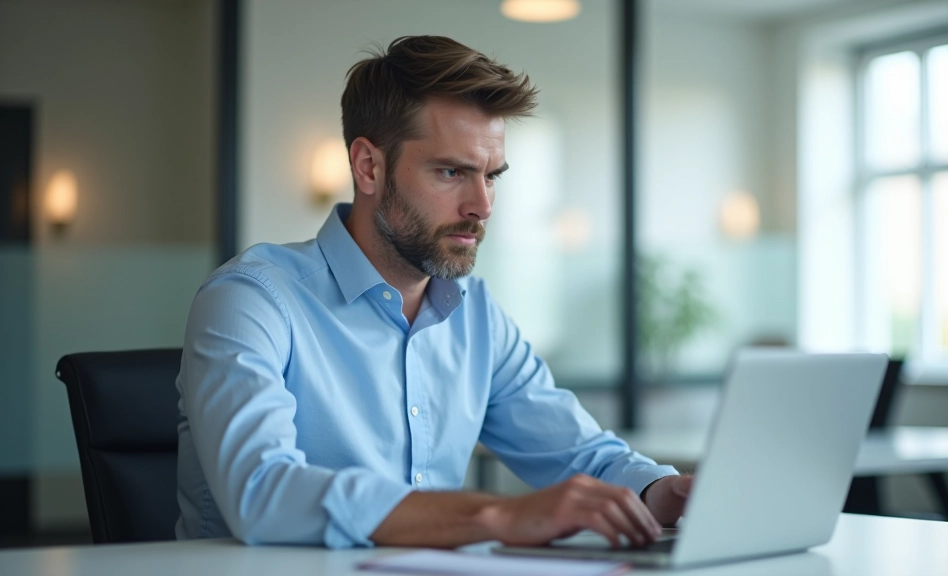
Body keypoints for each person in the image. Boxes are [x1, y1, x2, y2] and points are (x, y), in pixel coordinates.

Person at [175, 35, 691, 550]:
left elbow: (584, 456)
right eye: (452, 172)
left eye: (492, 177)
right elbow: (262, 493)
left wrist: (663, 490)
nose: (482, 205)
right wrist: (492, 514)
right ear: (368, 166)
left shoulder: (477, 314)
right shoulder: (252, 299)